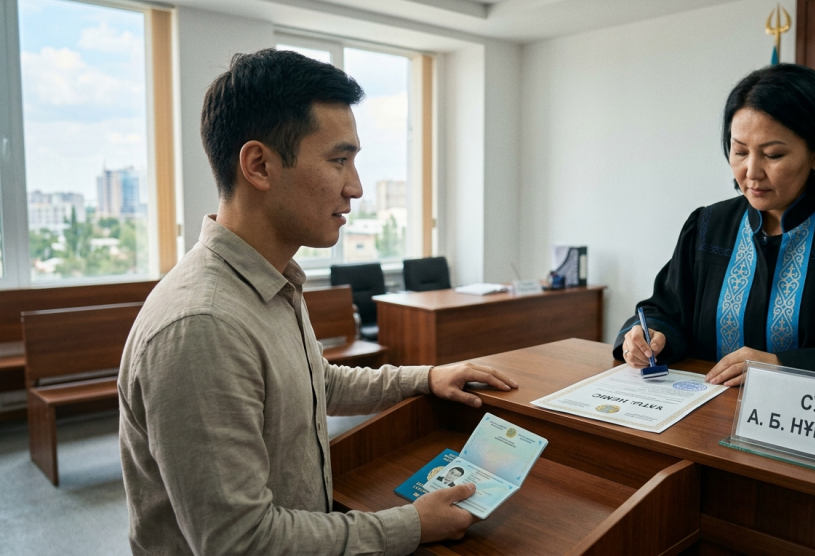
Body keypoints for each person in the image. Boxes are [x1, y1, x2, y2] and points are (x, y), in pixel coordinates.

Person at [118, 49, 518, 555]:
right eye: (338, 160)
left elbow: (315, 382)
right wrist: (410, 525)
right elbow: (240, 543)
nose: (355, 187)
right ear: (259, 165)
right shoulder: (204, 324)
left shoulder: (270, 280)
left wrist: (427, 377)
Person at [614, 64, 815, 389]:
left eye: (773, 154)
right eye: (739, 151)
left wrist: (783, 367)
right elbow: (665, 309)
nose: (751, 172)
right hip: (706, 417)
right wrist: (648, 335)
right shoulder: (708, 226)